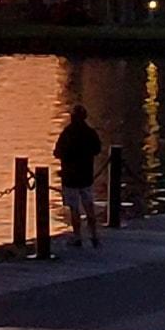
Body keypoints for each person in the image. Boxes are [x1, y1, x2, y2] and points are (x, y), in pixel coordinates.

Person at [53, 104, 104, 248]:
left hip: (70, 177)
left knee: (74, 209)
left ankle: (77, 237)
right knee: (89, 206)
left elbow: (57, 152)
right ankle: (94, 236)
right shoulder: (90, 133)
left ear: (72, 117)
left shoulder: (67, 133)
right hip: (86, 175)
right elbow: (97, 149)